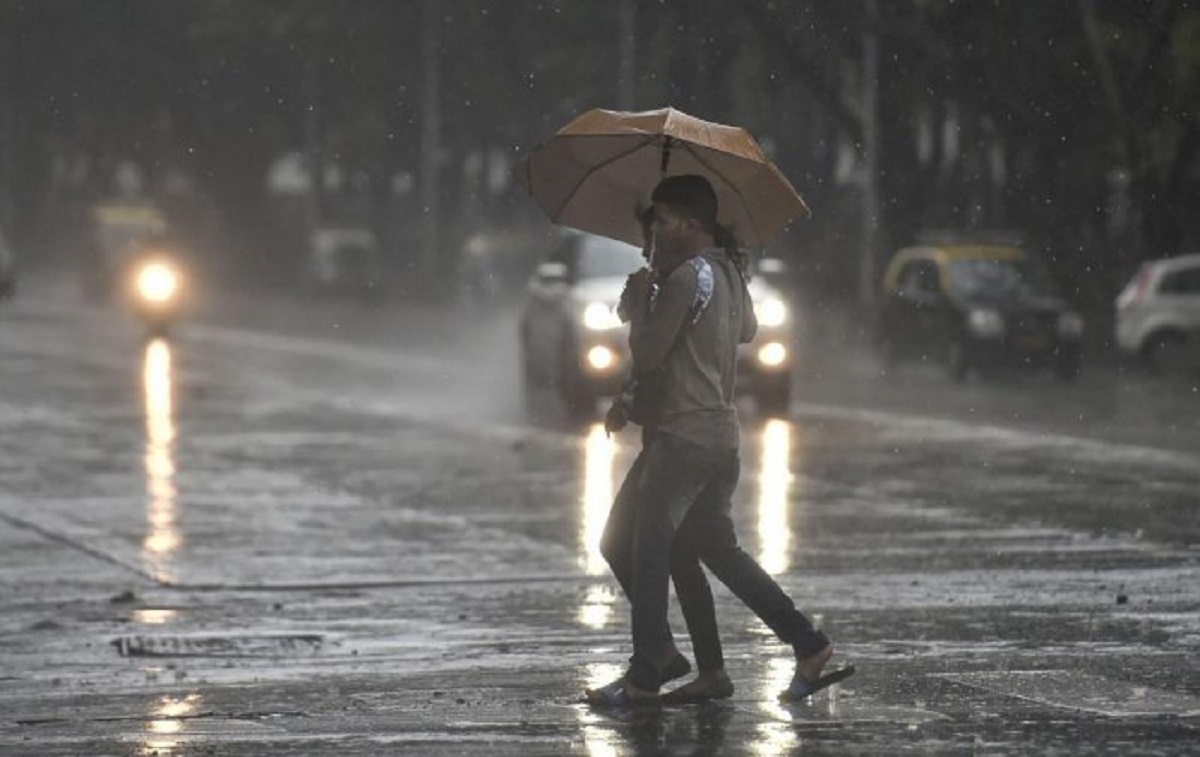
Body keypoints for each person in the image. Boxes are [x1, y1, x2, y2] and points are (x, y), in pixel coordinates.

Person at [586, 175, 852, 707]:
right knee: (705, 549)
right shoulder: (726, 272)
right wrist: (663, 289)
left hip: (683, 438)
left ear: (691, 224)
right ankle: (794, 645)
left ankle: (648, 669)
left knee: (642, 547)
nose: (655, 230)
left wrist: (642, 302)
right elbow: (744, 331)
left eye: (662, 221)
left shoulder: (688, 278)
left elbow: (651, 354)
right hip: (717, 436)